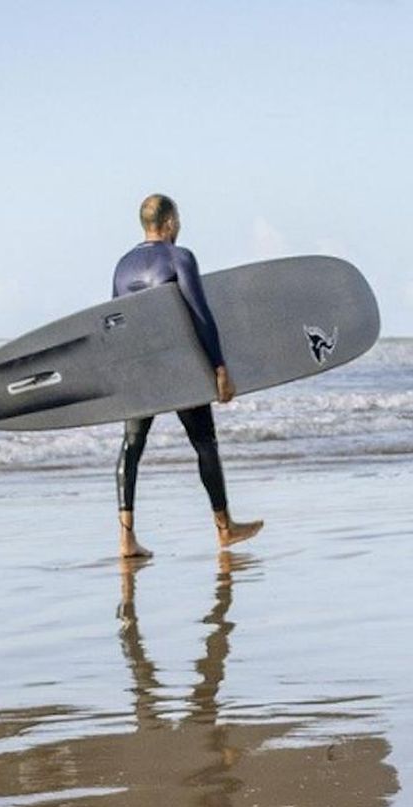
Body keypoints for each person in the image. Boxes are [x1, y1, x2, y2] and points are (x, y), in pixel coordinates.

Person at [112, 194, 262, 558]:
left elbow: (114, 323)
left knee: (132, 448)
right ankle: (225, 529)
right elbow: (200, 314)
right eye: (178, 218)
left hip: (138, 368)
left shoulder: (122, 266)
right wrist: (220, 368)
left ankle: (125, 540)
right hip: (177, 367)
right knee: (204, 444)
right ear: (169, 222)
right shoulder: (180, 257)